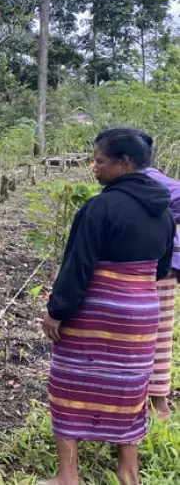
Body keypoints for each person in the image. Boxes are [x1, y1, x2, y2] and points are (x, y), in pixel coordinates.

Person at [41, 128, 175, 485]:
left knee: (69, 383)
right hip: (143, 312)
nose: (93, 167)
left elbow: (78, 266)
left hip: (97, 312)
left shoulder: (99, 208)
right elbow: (161, 268)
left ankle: (68, 475)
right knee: (129, 388)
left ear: (125, 163)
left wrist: (58, 310)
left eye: (100, 161)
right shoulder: (163, 212)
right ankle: (127, 473)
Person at [139, 133, 179, 421]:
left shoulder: (150, 179)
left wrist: (167, 224)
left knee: (157, 333)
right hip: (151, 264)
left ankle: (158, 400)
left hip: (160, 266)